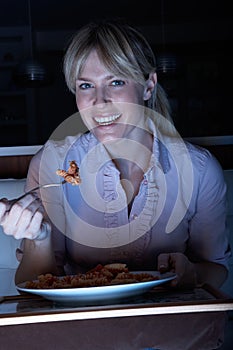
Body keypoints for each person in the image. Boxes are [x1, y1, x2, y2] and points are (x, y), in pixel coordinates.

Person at [0, 20, 230, 290]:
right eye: (86, 86)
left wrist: (192, 273)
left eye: (116, 82)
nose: (99, 101)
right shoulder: (53, 162)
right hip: (82, 325)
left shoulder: (199, 169)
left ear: (148, 85)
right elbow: (32, 285)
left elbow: (217, 269)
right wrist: (39, 238)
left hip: (171, 324)